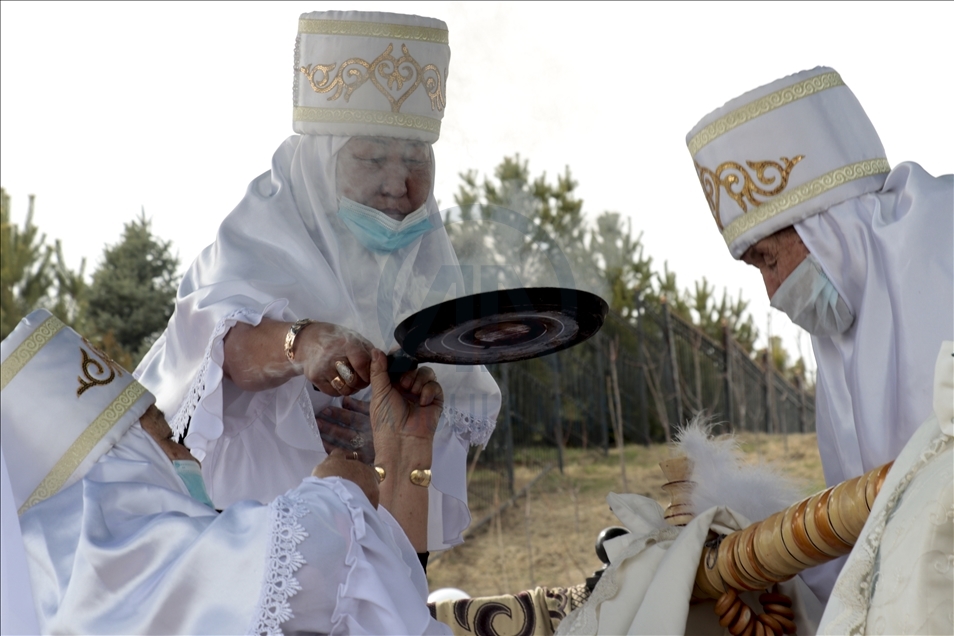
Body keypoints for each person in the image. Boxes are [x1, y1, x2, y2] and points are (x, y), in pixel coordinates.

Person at [134, 10, 501, 553]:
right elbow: (211, 348)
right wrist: (300, 345)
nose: (397, 183)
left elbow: (454, 408)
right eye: (371, 156)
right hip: (246, 540)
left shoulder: (426, 261)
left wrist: (398, 427)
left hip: (378, 548)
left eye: (416, 158)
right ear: (317, 162)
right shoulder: (260, 232)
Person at [1, 309, 451, 634]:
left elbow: (380, 601)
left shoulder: (85, 584)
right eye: (169, 439)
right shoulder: (110, 584)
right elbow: (319, 562)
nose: (191, 457)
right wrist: (336, 495)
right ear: (115, 475)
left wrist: (403, 451)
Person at [684, 66, 953, 598]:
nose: (771, 290)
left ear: (825, 225)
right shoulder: (842, 330)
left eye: (767, 259)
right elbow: (869, 539)